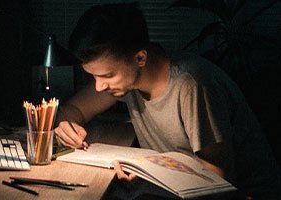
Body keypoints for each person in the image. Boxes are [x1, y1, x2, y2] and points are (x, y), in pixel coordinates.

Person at [54, 2, 281, 199]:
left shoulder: (192, 85)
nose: (99, 86)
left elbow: (218, 179)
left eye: (106, 75)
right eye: (93, 76)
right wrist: (66, 126)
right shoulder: (126, 78)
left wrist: (147, 179)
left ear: (140, 58)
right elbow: (73, 109)